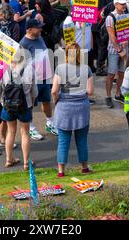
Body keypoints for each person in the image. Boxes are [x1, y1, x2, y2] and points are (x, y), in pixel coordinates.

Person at [52, 43, 94, 177]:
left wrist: (56, 101)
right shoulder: (86, 69)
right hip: (81, 107)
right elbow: (90, 91)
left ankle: (61, 170)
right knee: (82, 140)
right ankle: (84, 167)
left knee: (63, 141)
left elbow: (54, 91)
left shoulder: (60, 69)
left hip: (64, 107)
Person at [0, 47, 38, 170]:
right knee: (25, 133)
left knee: (10, 131)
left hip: (8, 105)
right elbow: (34, 91)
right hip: (25, 105)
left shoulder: (4, 69)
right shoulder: (29, 69)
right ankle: (25, 162)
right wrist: (33, 101)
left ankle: (9, 159)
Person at [20, 18, 57, 140]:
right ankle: (30, 128)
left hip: (45, 78)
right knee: (30, 105)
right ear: (30, 30)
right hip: (33, 81)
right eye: (38, 27)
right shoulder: (23, 44)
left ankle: (50, 122)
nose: (41, 29)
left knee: (46, 101)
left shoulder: (40, 37)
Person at [105, 0, 129, 108]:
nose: (124, 5)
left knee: (122, 73)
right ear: (116, 5)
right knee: (111, 74)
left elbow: (127, 31)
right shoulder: (110, 17)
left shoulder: (125, 15)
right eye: (121, 4)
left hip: (124, 48)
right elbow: (111, 35)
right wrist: (119, 49)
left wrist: (126, 42)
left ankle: (118, 93)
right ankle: (108, 96)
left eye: (124, 3)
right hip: (114, 49)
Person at [95, 0, 116, 76]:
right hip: (101, 25)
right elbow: (100, 11)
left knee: (107, 46)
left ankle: (106, 65)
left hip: (110, 23)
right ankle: (99, 68)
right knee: (102, 47)